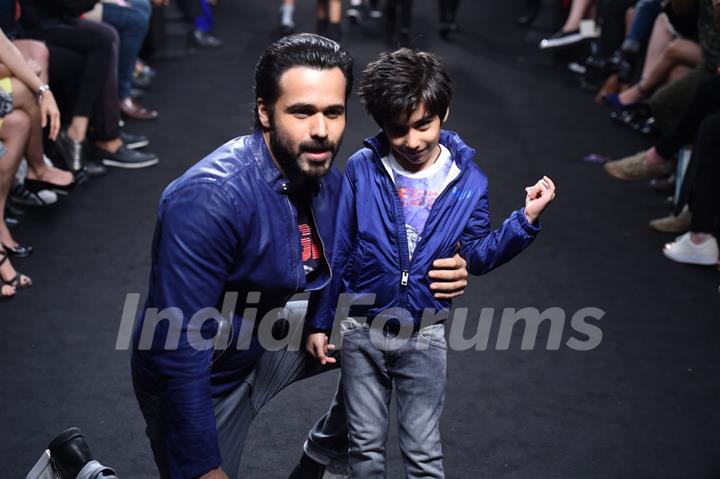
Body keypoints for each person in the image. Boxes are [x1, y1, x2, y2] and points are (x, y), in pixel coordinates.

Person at [131, 33, 469, 479]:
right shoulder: (209, 199)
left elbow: (382, 261)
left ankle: (321, 459)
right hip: (201, 373)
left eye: (333, 112)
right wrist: (202, 467)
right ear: (263, 111)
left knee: (391, 330)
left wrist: (449, 265)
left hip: (265, 335)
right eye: (302, 112)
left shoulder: (331, 182)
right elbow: (177, 348)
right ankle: (78, 469)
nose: (321, 131)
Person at [304, 49, 556, 478]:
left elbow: (476, 253)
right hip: (363, 330)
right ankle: (324, 454)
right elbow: (339, 251)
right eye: (398, 130)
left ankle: (319, 453)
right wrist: (318, 321)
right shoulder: (363, 168)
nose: (413, 140)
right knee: (365, 452)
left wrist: (524, 221)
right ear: (381, 125)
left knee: (423, 452)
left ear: (444, 112)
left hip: (426, 333)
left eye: (424, 124)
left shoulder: (469, 181)